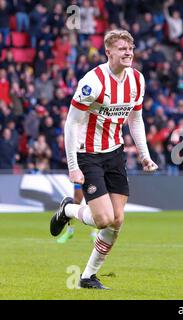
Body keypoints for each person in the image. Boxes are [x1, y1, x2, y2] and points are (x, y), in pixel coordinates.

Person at [49, 29, 158, 289]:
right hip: (88, 154)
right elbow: (70, 123)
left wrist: (144, 154)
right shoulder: (93, 82)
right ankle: (67, 209)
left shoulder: (137, 80)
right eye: (122, 49)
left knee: (117, 220)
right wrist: (73, 167)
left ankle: (87, 276)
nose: (128, 52)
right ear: (108, 52)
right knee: (102, 219)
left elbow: (135, 118)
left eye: (130, 48)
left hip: (115, 153)